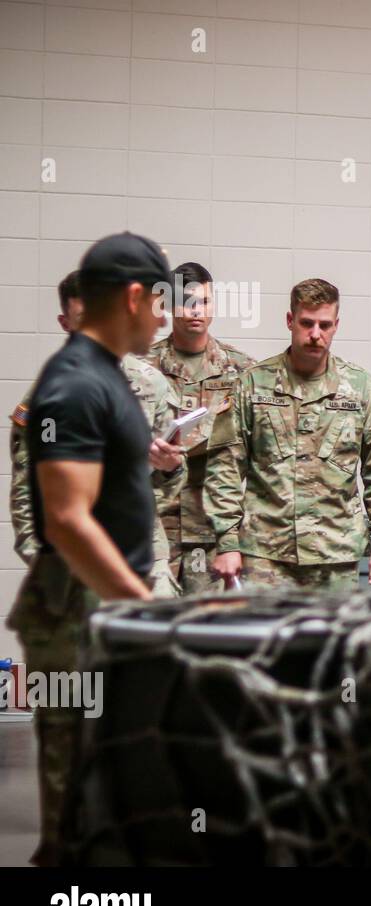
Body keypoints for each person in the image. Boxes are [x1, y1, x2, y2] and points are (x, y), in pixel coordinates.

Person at [6, 232, 171, 865]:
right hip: (70, 610)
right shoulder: (75, 383)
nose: (164, 314)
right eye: (159, 300)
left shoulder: (105, 376)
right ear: (133, 297)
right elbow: (68, 522)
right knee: (71, 771)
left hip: (98, 610)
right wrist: (145, 607)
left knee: (102, 776)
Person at [205, 279, 371, 591]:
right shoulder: (252, 385)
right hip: (265, 555)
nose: (315, 334)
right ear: (290, 321)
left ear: (336, 325)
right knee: (264, 640)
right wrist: (227, 542)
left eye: (324, 325)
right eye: (306, 323)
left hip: (336, 555)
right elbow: (224, 468)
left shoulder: (361, 388)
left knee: (334, 641)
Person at [10, 271, 184, 597]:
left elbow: (169, 483)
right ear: (66, 323)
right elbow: (26, 493)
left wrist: (169, 467)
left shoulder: (152, 384)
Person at [147, 261, 256, 594]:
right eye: (186, 301)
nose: (197, 311)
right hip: (152, 529)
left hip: (211, 531)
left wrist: (236, 538)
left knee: (206, 636)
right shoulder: (141, 368)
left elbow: (259, 457)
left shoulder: (241, 371)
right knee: (145, 637)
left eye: (204, 302)